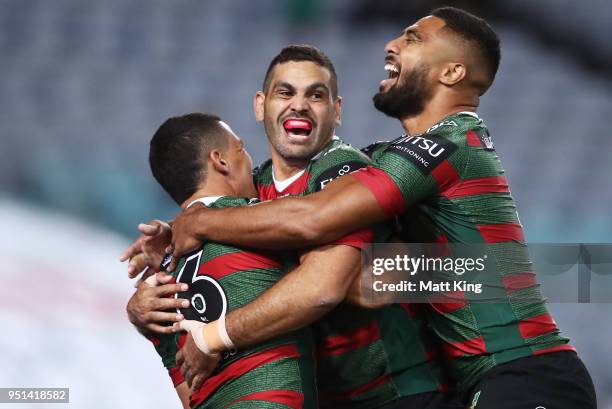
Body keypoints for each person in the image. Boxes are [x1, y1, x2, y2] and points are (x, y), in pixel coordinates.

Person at [164, 8, 596, 409]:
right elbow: (376, 276)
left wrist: (202, 225)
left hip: (524, 372)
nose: (391, 43)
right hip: (483, 382)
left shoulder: (447, 144)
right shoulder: (394, 158)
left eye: (413, 38)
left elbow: (314, 221)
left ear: (453, 71)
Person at [123, 45, 456, 409]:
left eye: (316, 94)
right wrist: (145, 300)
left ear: (337, 111)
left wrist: (211, 337)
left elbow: (322, 286)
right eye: (286, 92)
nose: (299, 104)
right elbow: (221, 212)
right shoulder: (255, 190)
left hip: (396, 394)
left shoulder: (347, 175)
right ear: (260, 105)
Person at [136, 112, 318, 409]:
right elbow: (324, 243)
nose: (249, 160)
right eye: (240, 149)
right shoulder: (265, 222)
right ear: (220, 161)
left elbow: (189, 396)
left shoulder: (154, 289)